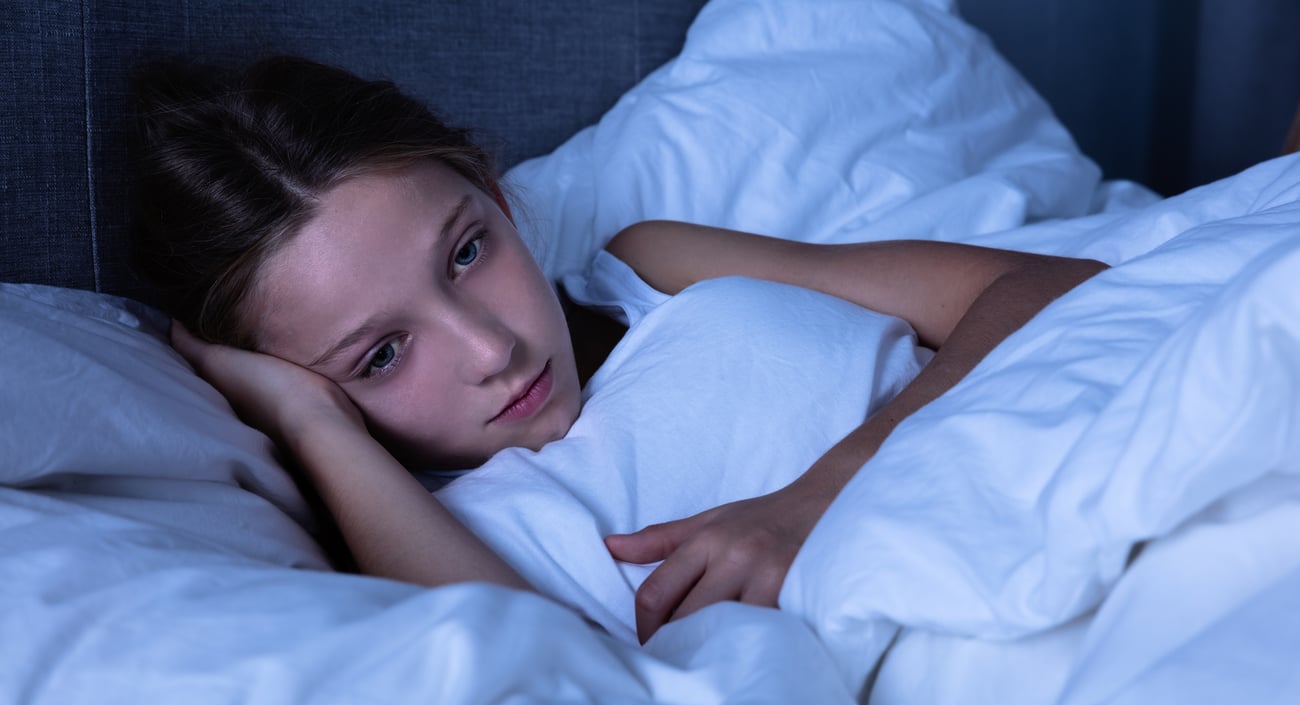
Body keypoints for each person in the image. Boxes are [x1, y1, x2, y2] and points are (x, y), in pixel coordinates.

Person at [130, 55, 1106, 644]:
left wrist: (821, 493)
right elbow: (544, 683)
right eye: (379, 356)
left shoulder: (648, 270)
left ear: (497, 193)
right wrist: (309, 425)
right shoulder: (437, 543)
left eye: (468, 250)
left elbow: (1046, 288)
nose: (490, 347)